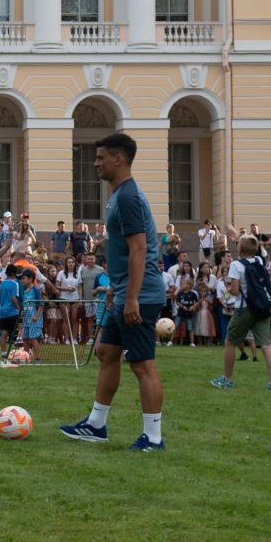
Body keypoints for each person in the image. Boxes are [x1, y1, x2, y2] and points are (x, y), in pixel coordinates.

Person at [60, 132, 167, 451]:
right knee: (107, 352)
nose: (95, 163)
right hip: (123, 293)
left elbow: (139, 248)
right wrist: (116, 289)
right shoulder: (118, 194)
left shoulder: (129, 197)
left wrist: (131, 296)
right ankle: (96, 425)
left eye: (100, 157)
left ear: (118, 160)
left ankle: (154, 437)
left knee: (142, 364)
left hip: (141, 295)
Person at [214, 234, 271, 390]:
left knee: (230, 341)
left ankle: (227, 379)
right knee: (266, 345)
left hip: (245, 308)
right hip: (263, 307)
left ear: (239, 248)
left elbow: (236, 291)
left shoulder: (236, 265)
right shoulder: (259, 261)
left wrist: (228, 287)